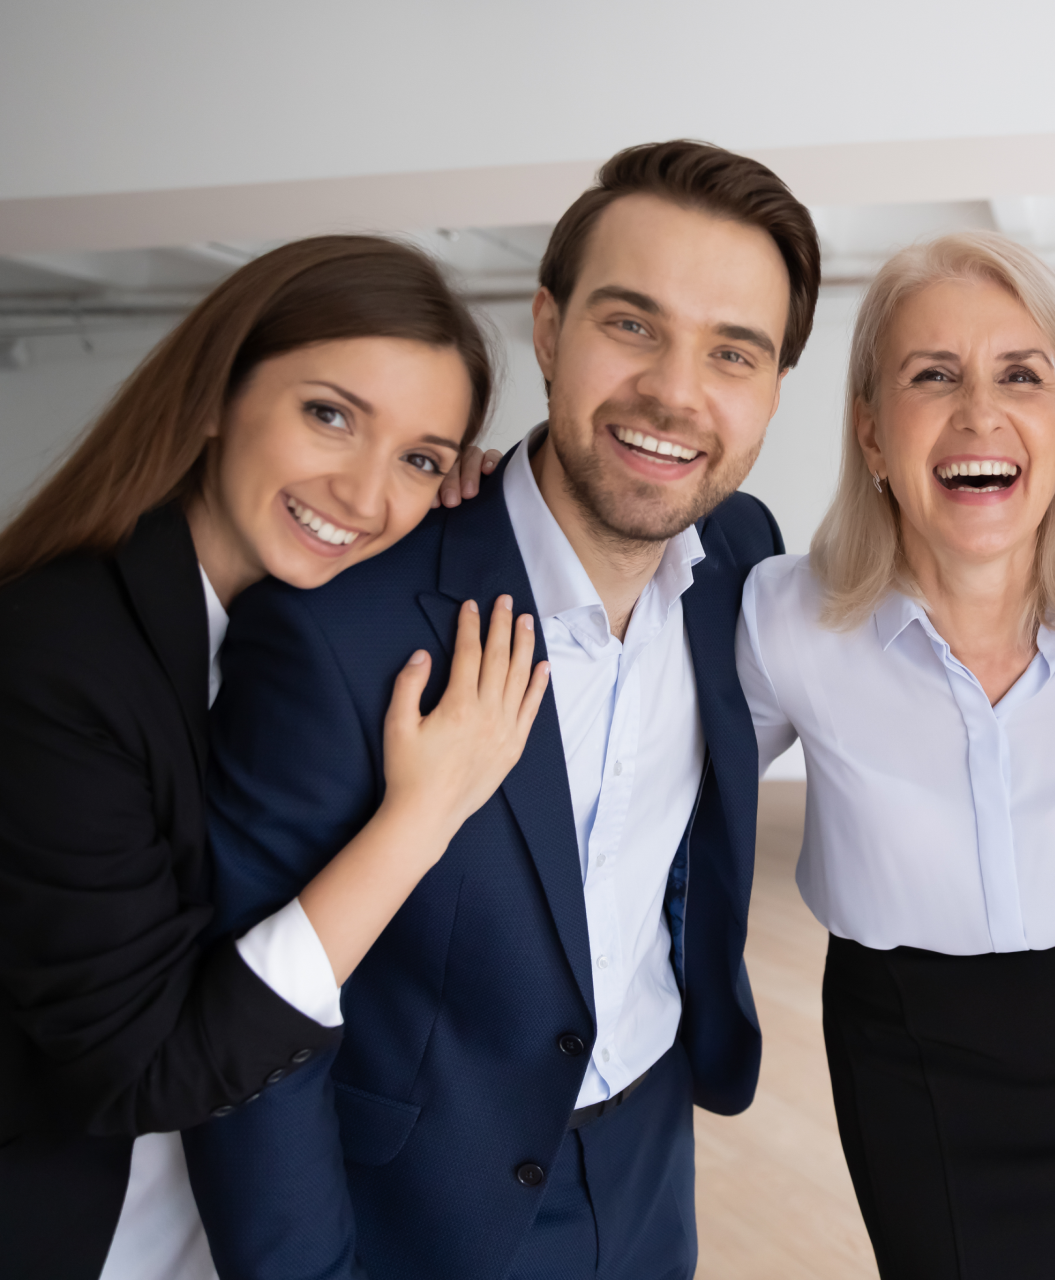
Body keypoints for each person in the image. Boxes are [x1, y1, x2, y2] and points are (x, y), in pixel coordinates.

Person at [181, 140, 820, 1280]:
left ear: (775, 387)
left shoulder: (740, 552)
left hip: (649, 1158)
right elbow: (255, 1015)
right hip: (418, 1207)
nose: (677, 390)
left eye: (735, 351)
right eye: (632, 324)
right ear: (547, 326)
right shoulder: (343, 627)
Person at [0, 235, 543, 1280]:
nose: (366, 492)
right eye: (329, 414)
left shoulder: (281, 640)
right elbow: (140, 1067)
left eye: (421, 456)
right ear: (214, 394)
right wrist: (418, 821)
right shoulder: (54, 658)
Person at [737, 230, 1055, 1278]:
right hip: (908, 1055)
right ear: (869, 432)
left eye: (1020, 376)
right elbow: (657, 783)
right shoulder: (782, 619)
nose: (979, 413)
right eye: (931, 375)